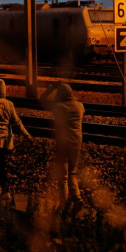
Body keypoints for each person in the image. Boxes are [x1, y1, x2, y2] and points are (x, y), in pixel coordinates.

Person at [0, 78, 32, 202]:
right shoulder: (10, 104)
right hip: (6, 140)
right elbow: (17, 122)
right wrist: (28, 135)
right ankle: (4, 190)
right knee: (2, 164)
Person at [40, 80, 85, 209]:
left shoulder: (58, 107)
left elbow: (43, 99)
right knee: (73, 173)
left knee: (63, 176)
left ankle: (64, 203)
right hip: (76, 143)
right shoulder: (80, 106)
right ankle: (77, 198)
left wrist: (51, 87)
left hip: (62, 143)